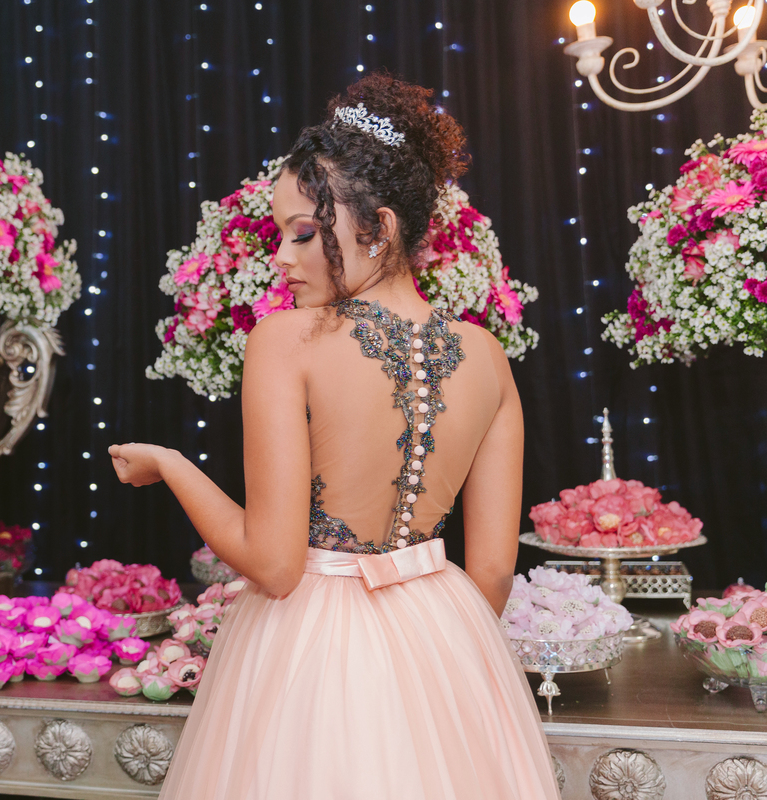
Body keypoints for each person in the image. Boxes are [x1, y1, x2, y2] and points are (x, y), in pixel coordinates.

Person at [108, 73, 560, 799]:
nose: (281, 258)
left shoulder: (287, 341)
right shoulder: (486, 356)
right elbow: (494, 576)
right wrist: (447, 647)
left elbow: (275, 565)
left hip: (308, 647)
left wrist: (172, 466)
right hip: (446, 633)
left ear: (377, 228)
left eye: (304, 234)